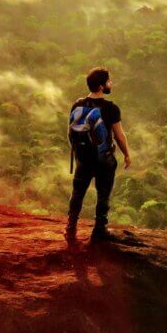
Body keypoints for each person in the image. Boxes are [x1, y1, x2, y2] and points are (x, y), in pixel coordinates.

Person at [65, 67, 132, 243]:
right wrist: (127, 154)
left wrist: (78, 152)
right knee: (103, 193)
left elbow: (70, 131)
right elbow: (119, 136)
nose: (111, 83)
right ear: (102, 86)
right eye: (109, 81)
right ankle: (99, 229)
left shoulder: (77, 104)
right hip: (103, 159)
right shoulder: (110, 108)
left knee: (78, 192)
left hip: (83, 158)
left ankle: (71, 227)